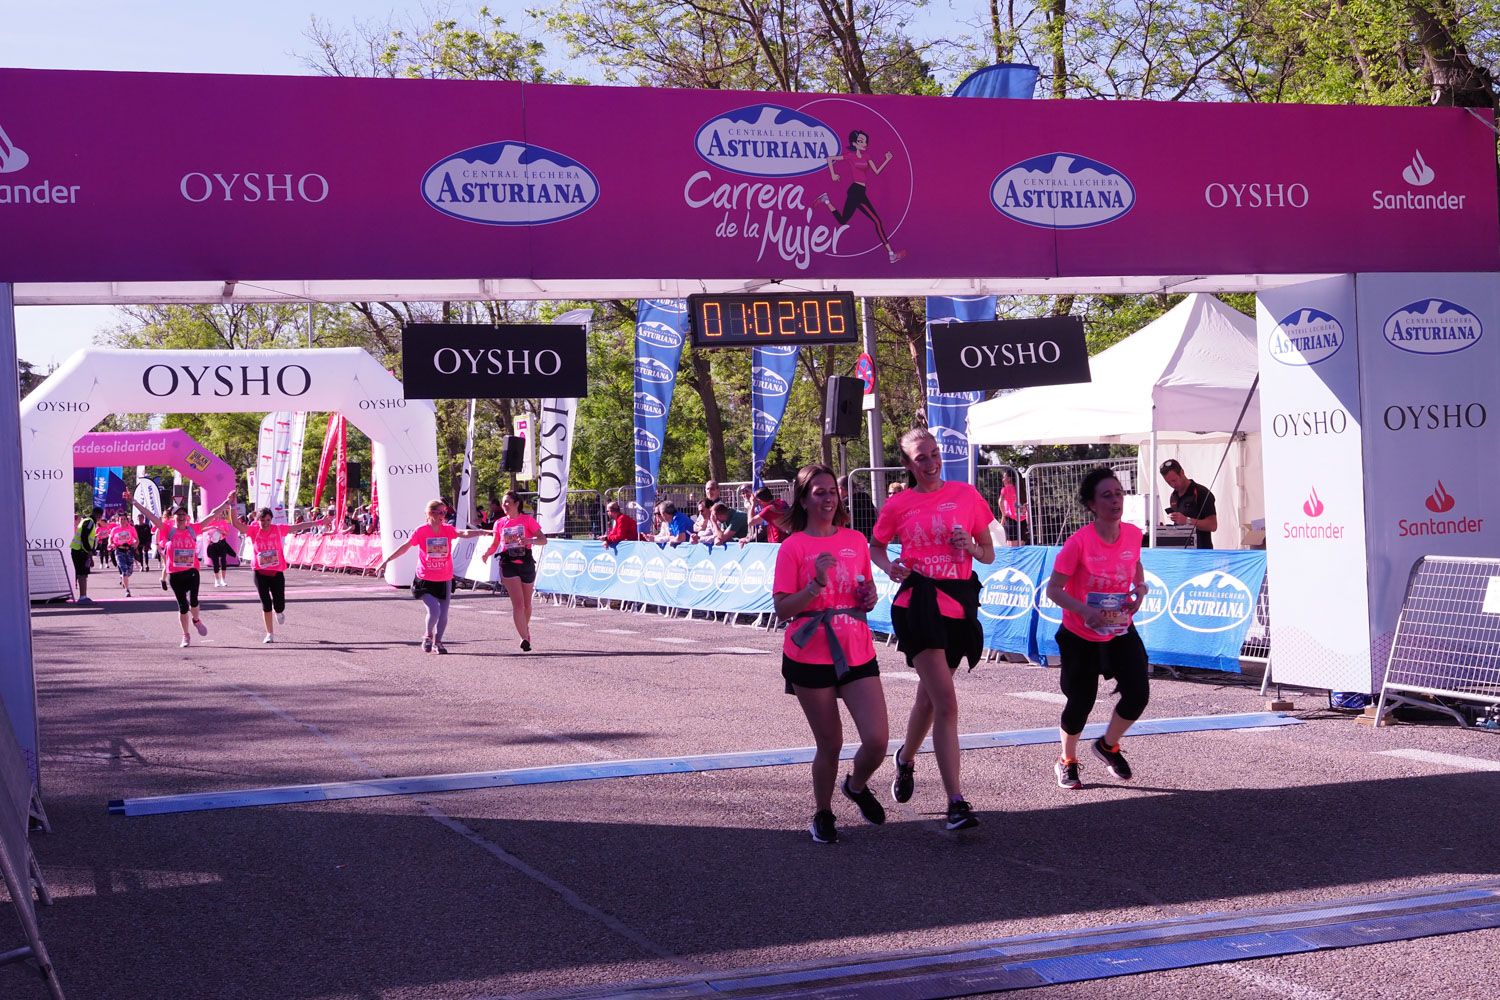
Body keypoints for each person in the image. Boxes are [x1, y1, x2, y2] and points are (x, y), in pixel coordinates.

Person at [869, 428, 995, 832]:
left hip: (958, 602)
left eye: (935, 454)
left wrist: (970, 547)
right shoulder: (899, 504)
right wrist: (890, 567)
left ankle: (905, 759)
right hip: (917, 603)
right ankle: (955, 802)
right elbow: (876, 545)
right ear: (908, 465)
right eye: (921, 457)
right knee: (946, 703)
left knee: (928, 701)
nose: (931, 462)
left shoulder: (966, 495)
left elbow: (989, 553)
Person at [773, 463, 886, 844]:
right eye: (818, 492)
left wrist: (870, 598)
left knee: (877, 740)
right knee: (831, 744)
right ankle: (822, 812)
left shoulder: (854, 540)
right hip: (810, 654)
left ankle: (855, 785)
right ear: (804, 500)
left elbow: (864, 590)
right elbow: (783, 609)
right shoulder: (793, 547)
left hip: (856, 648)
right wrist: (817, 584)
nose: (827, 498)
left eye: (831, 492)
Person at [1044, 468, 1151, 789]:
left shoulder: (1133, 534)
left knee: (1138, 694)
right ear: (1092, 505)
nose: (1115, 500)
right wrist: (1085, 611)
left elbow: (1135, 566)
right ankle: (1067, 760)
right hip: (1081, 634)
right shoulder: (1079, 543)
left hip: (1119, 629)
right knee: (1081, 701)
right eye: (1107, 495)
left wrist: (1140, 591)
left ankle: (1107, 745)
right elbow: (1053, 590)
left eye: (1118, 493)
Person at [376, 500, 489, 654]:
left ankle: (438, 642)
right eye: (441, 512)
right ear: (431, 513)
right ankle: (428, 635)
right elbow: (405, 547)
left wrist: (480, 532)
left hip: (444, 578)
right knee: (434, 611)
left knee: (443, 613)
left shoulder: (447, 529)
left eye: (445, 512)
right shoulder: (421, 531)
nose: (444, 515)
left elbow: (463, 533)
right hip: (425, 578)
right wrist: (387, 561)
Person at [128, 490, 231, 647]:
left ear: (187, 517)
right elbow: (150, 516)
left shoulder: (193, 529)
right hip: (175, 573)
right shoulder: (168, 530)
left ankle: (196, 620)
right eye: (178, 515)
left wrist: (227, 502)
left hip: (191, 571)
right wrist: (133, 502)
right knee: (183, 606)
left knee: (194, 600)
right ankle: (186, 635)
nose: (181, 517)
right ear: (173, 517)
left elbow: (212, 515)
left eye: (183, 514)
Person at [230, 501, 327, 643]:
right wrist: (232, 506)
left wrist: (319, 522)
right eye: (262, 520)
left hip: (276, 572)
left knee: (279, 605)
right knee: (266, 604)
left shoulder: (278, 529)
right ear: (258, 520)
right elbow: (236, 525)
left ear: (272, 519)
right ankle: (269, 633)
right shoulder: (253, 530)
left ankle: (279, 611)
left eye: (268, 520)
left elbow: (298, 527)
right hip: (259, 572)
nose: (265, 523)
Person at [816, 129, 905, 264]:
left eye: (865, 141)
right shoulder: (850, 156)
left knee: (842, 220)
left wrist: (886, 160)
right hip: (856, 191)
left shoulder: (867, 156)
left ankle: (826, 200)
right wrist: (833, 174)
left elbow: (876, 171)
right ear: (854, 143)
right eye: (860, 141)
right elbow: (830, 158)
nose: (864, 143)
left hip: (859, 191)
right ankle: (891, 254)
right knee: (877, 221)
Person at [482, 491, 548, 652]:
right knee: (518, 605)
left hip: (525, 561)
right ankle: (524, 638)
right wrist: (486, 553)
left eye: (507, 502)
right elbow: (495, 543)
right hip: (508, 563)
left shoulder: (527, 520)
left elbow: (543, 539)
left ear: (517, 503)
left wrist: (529, 540)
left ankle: (525, 630)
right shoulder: (499, 523)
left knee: (527, 604)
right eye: (503, 502)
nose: (504, 505)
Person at [1160, 458, 1217, 549]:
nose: (1172, 485)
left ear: (1182, 472)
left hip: (1201, 553)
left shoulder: (1201, 492)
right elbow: (1179, 525)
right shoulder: (1173, 496)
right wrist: (1166, 530)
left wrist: (1188, 520)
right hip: (1181, 552)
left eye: (1174, 480)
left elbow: (1213, 525)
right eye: (1168, 482)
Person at [70, 506, 101, 603]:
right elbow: (84, 536)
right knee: (82, 574)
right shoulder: (90, 522)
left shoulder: (87, 520)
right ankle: (82, 597)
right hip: (80, 551)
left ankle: (83, 595)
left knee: (82, 574)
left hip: (78, 550)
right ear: (98, 515)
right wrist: (89, 551)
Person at [106, 511, 139, 597]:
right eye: (121, 519)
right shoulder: (115, 529)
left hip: (129, 550)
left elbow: (136, 539)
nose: (123, 521)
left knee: (129, 571)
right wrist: (110, 543)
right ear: (118, 520)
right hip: (119, 551)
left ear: (127, 520)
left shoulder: (131, 528)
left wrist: (135, 544)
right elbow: (110, 538)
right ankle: (127, 590)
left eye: (124, 519)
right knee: (124, 570)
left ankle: (123, 578)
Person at [998, 471, 1029, 547]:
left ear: (1009, 479)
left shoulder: (1005, 489)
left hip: (1011, 521)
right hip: (1023, 521)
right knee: (1021, 549)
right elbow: (1026, 507)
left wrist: (1003, 515)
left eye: (1004, 477)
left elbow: (1000, 501)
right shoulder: (1022, 490)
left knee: (1011, 549)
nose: (1002, 479)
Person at [202, 513, 235, 588]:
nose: (217, 516)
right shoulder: (210, 522)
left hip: (222, 543)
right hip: (213, 544)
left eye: (219, 514)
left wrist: (221, 531)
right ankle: (217, 580)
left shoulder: (223, 522)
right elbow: (204, 531)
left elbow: (227, 533)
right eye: (216, 514)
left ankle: (223, 580)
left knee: (223, 561)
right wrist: (210, 534)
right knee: (215, 563)